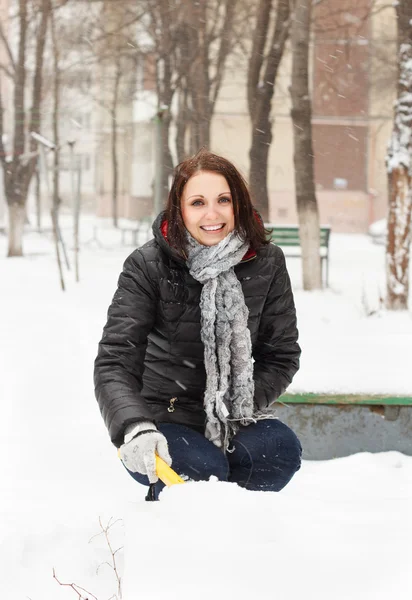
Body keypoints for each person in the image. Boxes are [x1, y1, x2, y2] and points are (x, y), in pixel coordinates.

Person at [94, 148, 302, 500]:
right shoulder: (149, 265)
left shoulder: (267, 261)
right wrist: (136, 426)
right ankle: (179, 533)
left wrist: (238, 401)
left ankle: (243, 538)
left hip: (234, 412)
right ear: (180, 209)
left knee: (276, 452)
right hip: (163, 415)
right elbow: (116, 359)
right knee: (202, 470)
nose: (212, 214)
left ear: (239, 203)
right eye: (198, 203)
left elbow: (281, 354)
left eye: (223, 199)